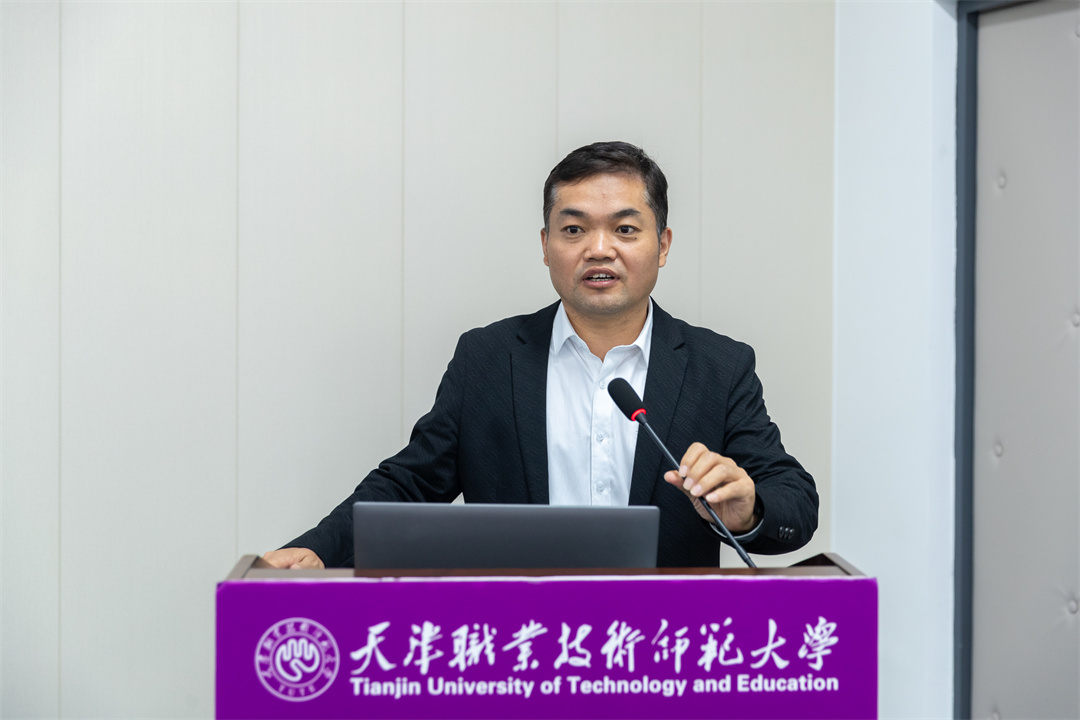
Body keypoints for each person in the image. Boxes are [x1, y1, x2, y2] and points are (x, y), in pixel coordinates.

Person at [263, 141, 817, 569]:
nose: (599, 249)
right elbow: (409, 484)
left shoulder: (718, 366)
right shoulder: (488, 359)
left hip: (662, 646)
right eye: (574, 229)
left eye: (625, 229)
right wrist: (320, 549)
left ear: (663, 245)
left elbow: (794, 501)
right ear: (546, 245)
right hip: (523, 640)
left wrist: (747, 509)